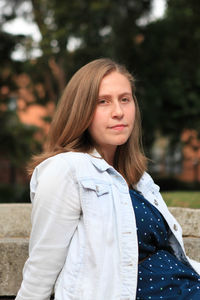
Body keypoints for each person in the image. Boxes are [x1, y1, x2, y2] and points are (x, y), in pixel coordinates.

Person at [16, 58, 200, 300]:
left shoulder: (139, 178)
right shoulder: (65, 169)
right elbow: (42, 267)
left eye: (125, 99)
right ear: (80, 110)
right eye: (103, 102)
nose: (118, 112)